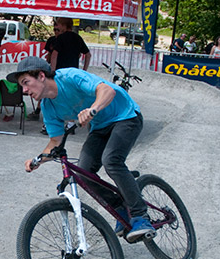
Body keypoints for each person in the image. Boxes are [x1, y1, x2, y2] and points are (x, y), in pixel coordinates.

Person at [10, 56, 155, 243]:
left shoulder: (69, 76)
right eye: (22, 86)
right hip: (100, 127)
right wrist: (38, 160)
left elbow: (107, 91)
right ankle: (121, 209)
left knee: (111, 160)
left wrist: (92, 110)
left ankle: (140, 215)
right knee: (84, 173)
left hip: (125, 116)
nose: (25, 90)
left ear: (41, 76)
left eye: (26, 83)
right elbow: (56, 141)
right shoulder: (48, 106)